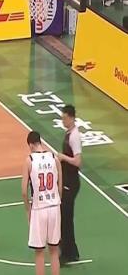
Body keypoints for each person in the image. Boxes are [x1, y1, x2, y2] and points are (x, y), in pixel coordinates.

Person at [22, 131, 62, 275]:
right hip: (54, 206)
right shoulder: (54, 158)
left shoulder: (29, 160)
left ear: (31, 144)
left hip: (39, 208)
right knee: (54, 251)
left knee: (39, 253)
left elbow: (24, 191)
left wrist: (28, 210)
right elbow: (59, 184)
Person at [57, 105, 82, 265]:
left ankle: (68, 253)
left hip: (71, 181)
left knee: (65, 217)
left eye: (65, 118)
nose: (63, 121)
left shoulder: (74, 136)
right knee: (65, 216)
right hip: (67, 179)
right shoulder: (69, 134)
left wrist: (63, 157)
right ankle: (70, 251)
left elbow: (78, 161)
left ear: (71, 118)